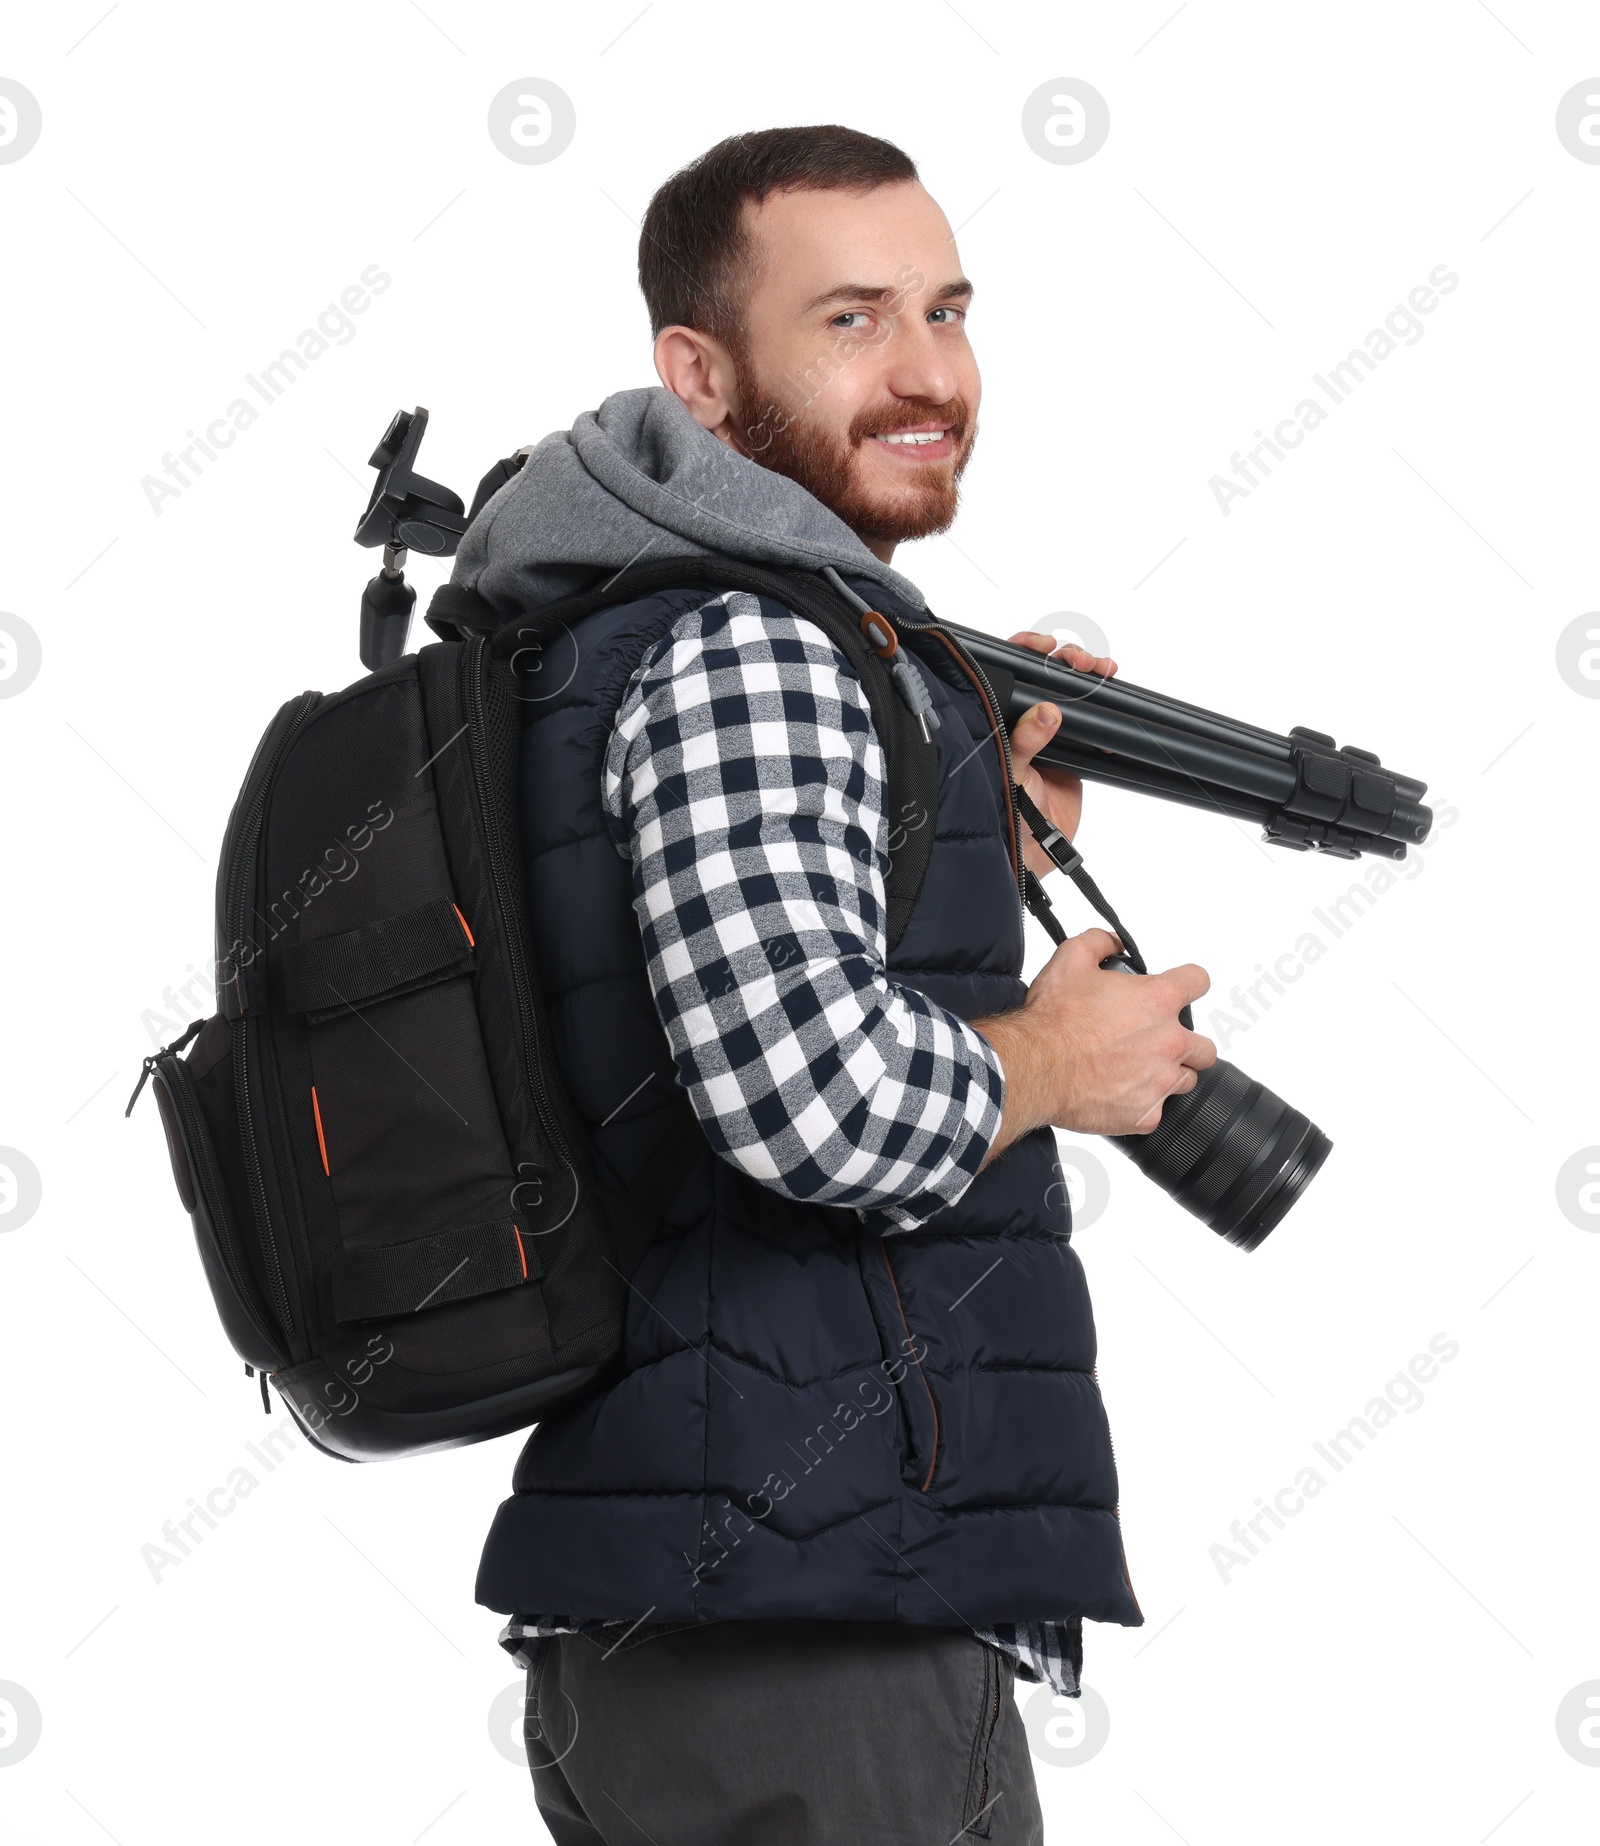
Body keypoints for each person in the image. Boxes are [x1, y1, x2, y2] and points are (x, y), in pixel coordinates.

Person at [452, 124, 1216, 1846]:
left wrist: (970, 855)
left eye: (948, 309)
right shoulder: (756, 635)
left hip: (734, 1611)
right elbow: (809, 1096)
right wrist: (1057, 1058)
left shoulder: (646, 615)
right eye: (855, 320)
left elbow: (685, 1006)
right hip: (804, 1621)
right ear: (701, 377)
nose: (931, 370)